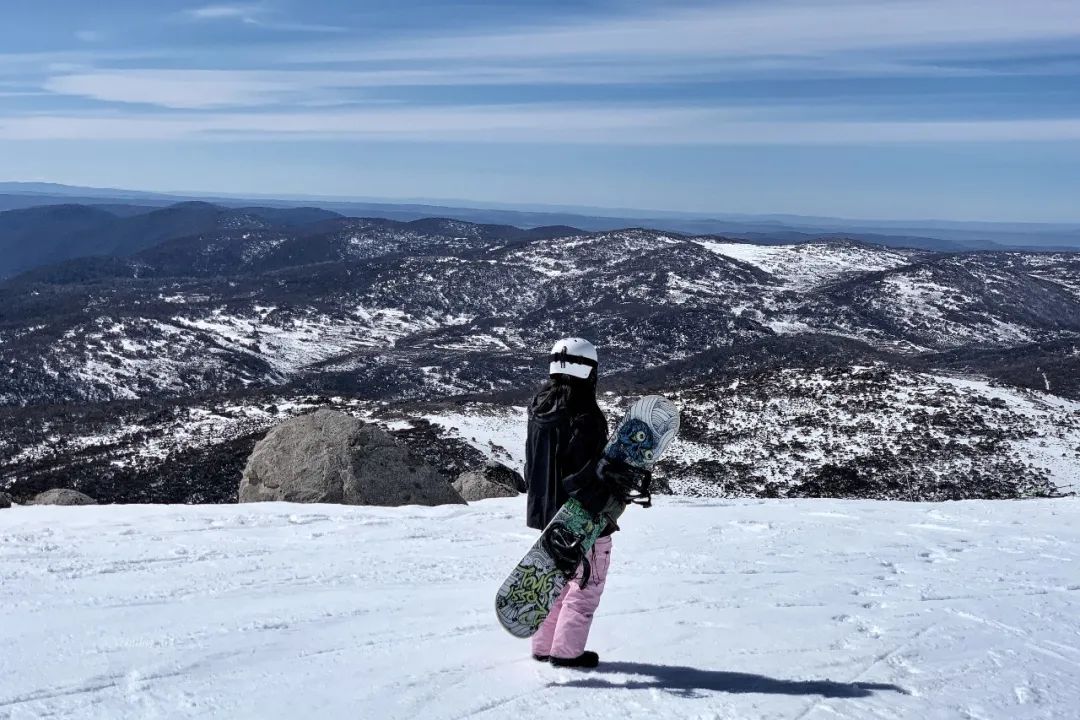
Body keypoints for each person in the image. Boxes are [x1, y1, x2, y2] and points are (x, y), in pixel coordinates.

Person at [524, 337, 649, 669]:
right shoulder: (585, 415)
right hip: (584, 517)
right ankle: (566, 653)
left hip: (548, 515)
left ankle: (543, 646)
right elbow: (584, 474)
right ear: (590, 370)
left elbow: (532, 465)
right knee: (585, 585)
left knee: (554, 581)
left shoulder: (538, 408)